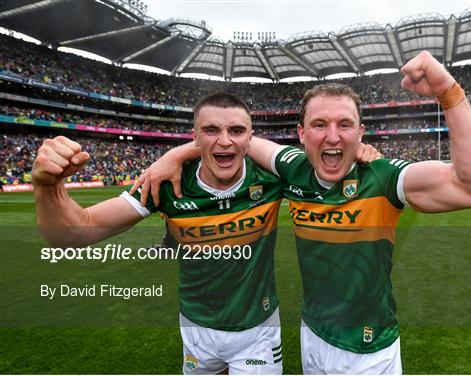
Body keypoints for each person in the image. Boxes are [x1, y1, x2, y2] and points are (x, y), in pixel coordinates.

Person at [131, 51, 471, 374]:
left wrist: (448, 92)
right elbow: (233, 138)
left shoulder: (383, 177)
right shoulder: (293, 168)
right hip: (312, 338)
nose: (332, 136)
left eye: (344, 125)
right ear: (301, 134)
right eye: (320, 125)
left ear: (360, 133)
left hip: (369, 351)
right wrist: (178, 153)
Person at [33, 92, 287, 374]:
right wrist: (47, 185)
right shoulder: (164, 182)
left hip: (257, 332)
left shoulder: (271, 177)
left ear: (251, 137)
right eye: (211, 130)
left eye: (237, 131)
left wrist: (177, 152)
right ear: (195, 136)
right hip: (196, 329)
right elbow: (73, 234)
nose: (225, 141)